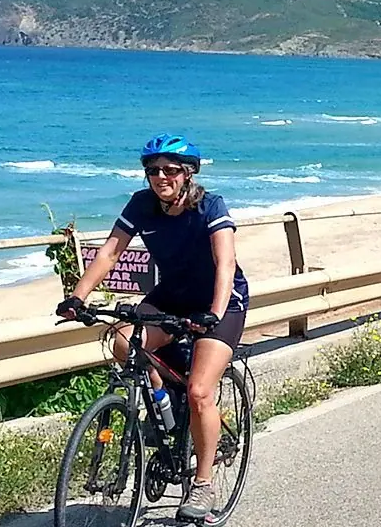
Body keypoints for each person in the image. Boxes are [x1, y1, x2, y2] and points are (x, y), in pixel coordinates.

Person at [57, 133, 249, 524]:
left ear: (188, 173)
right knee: (123, 342)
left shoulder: (210, 206)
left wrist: (213, 314)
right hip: (171, 297)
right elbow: (110, 252)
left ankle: (203, 483)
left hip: (220, 302)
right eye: (153, 170)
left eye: (170, 170)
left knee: (199, 391)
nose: (161, 177)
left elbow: (225, 264)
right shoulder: (142, 204)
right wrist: (76, 297)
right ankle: (163, 405)